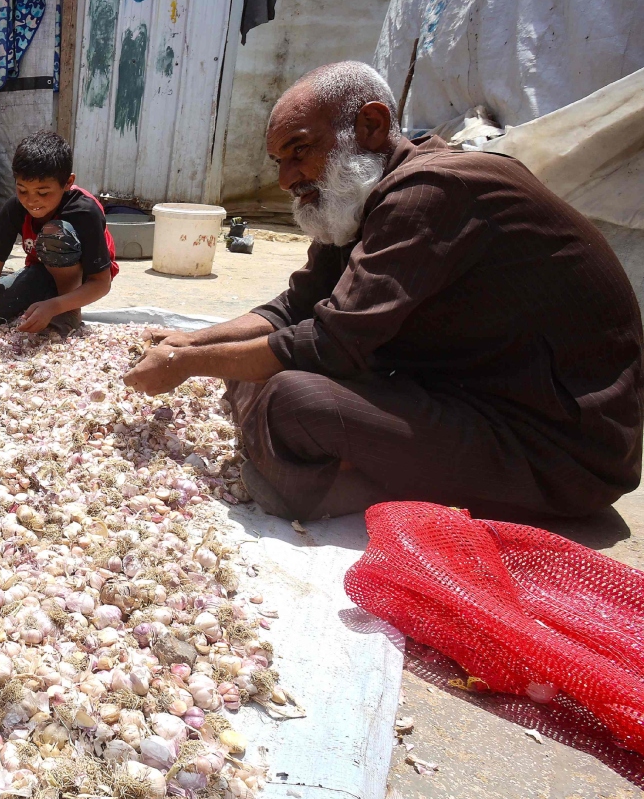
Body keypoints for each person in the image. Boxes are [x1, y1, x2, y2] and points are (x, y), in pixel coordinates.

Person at [123, 60, 643, 522]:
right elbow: (294, 308)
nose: (286, 179)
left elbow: (330, 345)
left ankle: (316, 475)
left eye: (300, 151)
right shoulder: (358, 197)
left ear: (369, 126)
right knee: (257, 369)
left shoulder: (429, 193)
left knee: (290, 396)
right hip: (461, 396)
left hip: (559, 449)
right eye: (280, 160)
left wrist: (189, 366)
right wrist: (189, 344)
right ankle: (307, 455)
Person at [0, 130, 117, 335]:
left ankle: (69, 311)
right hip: (41, 272)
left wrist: (55, 307)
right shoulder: (15, 208)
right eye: (22, 190)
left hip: (83, 279)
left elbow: (101, 283)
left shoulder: (84, 212)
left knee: (56, 234)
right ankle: (46, 298)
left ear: (68, 182)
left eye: (43, 192)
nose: (31, 200)